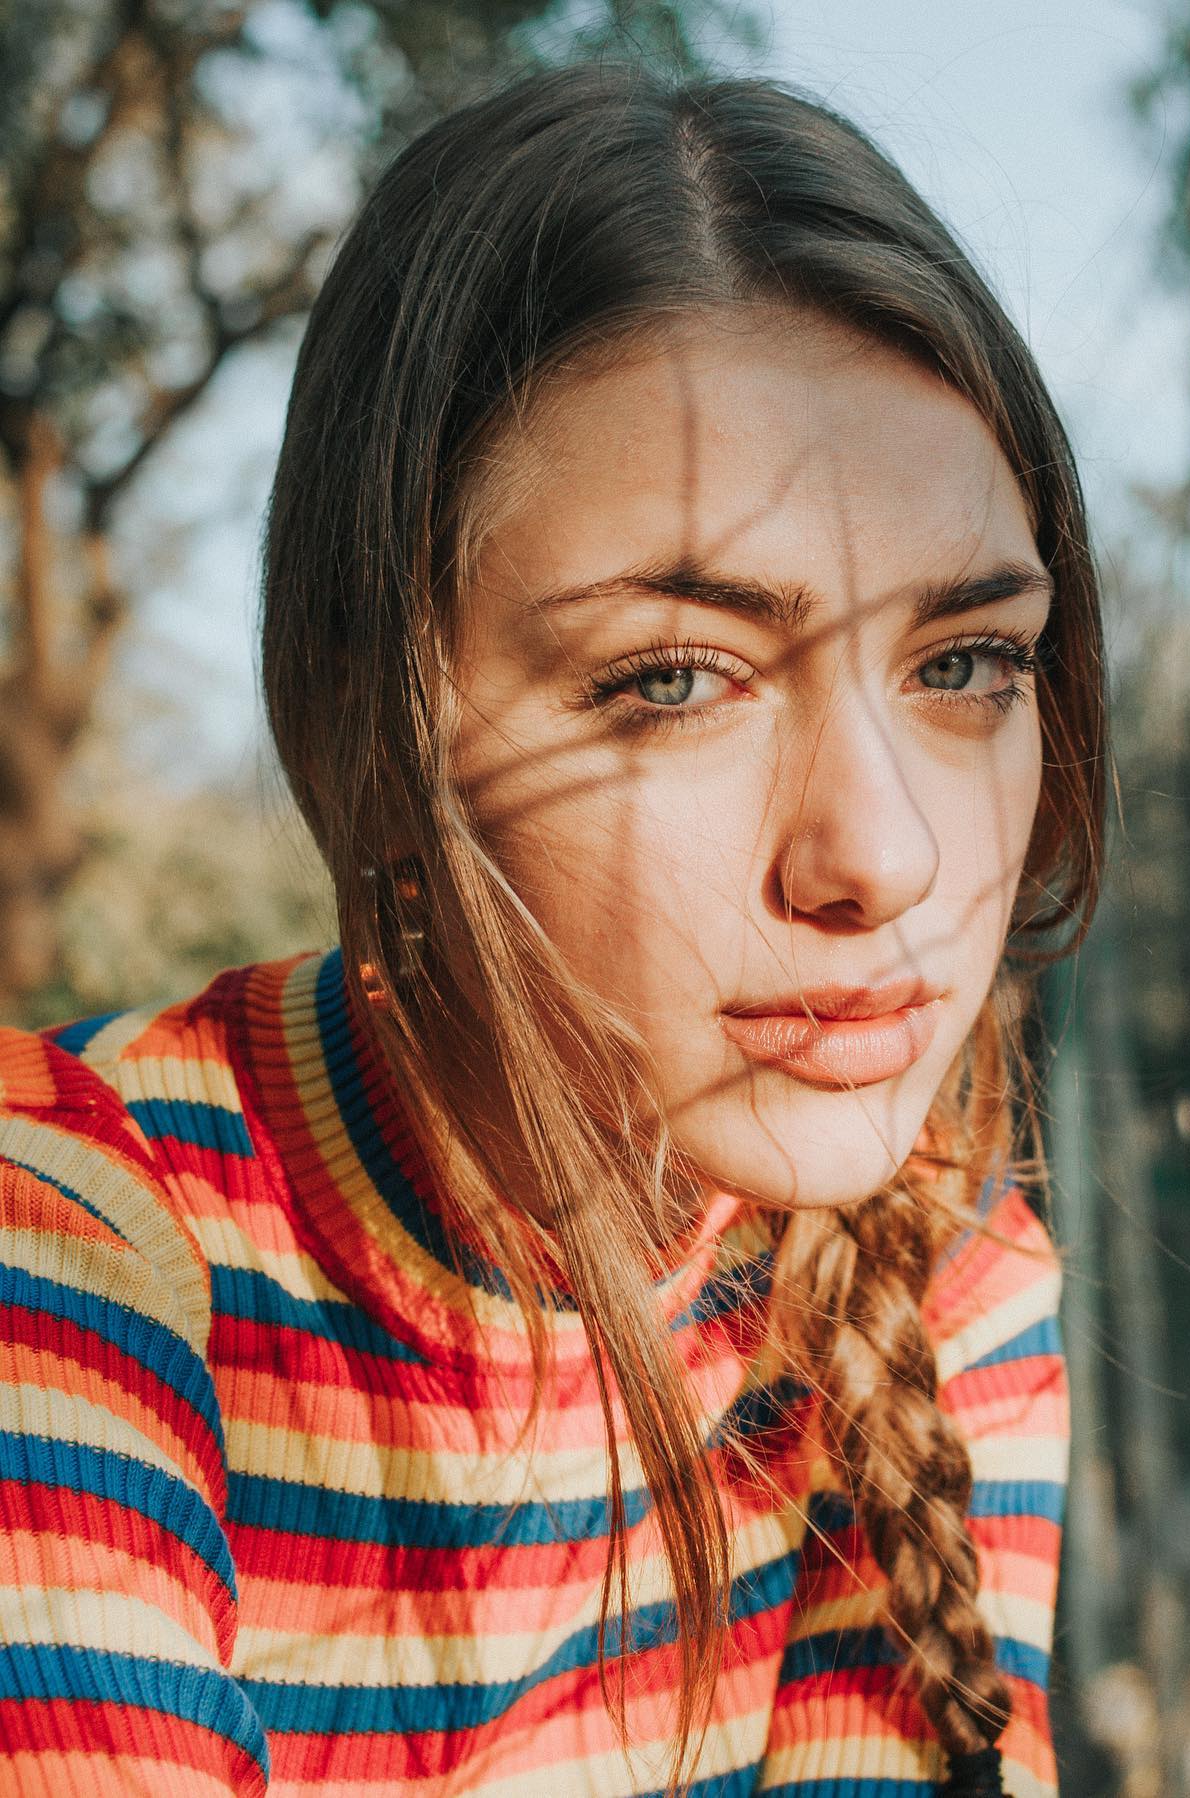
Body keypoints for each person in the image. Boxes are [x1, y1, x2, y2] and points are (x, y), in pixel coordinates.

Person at [0, 62, 1104, 1798]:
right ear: (382, 720)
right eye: (673, 679)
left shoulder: (941, 1269)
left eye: (967, 662)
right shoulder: (68, 1254)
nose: (882, 854)